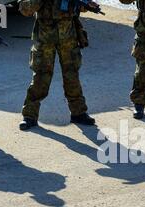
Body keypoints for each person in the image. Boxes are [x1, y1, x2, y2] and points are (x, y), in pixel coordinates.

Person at [18, 0, 98, 130]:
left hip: (68, 37)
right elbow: (24, 9)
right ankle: (29, 116)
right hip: (45, 39)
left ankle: (78, 112)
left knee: (72, 75)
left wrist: (87, 4)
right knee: (41, 77)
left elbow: (81, 7)